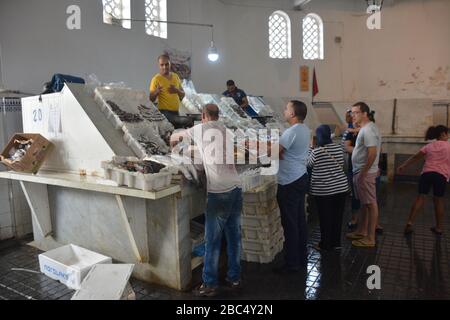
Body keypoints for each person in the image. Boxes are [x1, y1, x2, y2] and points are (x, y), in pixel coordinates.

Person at [170, 104, 243, 297]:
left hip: (220, 192)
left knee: (212, 240)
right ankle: (234, 277)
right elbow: (208, 157)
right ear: (217, 115)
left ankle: (209, 283)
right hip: (236, 187)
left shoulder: (200, 128)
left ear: (203, 116)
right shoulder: (226, 130)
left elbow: (175, 138)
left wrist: (173, 149)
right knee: (234, 236)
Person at [274, 100, 310, 273]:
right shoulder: (304, 129)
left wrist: (254, 145)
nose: (284, 110)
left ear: (293, 114)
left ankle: (292, 263)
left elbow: (274, 151)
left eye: (287, 108)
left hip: (289, 181)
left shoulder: (291, 131)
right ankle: (302, 256)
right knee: (299, 220)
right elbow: (282, 151)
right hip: (300, 176)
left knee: (290, 223)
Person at [397, 125, 450, 235]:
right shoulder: (449, 146)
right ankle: (439, 228)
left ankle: (409, 223)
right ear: (443, 134)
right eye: (447, 133)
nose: (448, 135)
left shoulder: (429, 146)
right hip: (441, 176)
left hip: (426, 174)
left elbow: (416, 157)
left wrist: (403, 166)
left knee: (420, 197)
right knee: (438, 200)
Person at [308, 125, 349, 251]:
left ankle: (325, 244)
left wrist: (310, 148)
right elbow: (342, 163)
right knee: (337, 217)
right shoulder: (338, 148)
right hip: (341, 189)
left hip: (324, 191)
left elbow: (308, 163)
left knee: (325, 218)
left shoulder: (317, 151)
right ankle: (336, 243)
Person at [346, 102, 381, 248]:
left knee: (371, 204)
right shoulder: (368, 128)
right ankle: (362, 230)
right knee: (365, 204)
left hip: (363, 172)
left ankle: (370, 238)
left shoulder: (367, 130)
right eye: (352, 113)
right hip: (362, 171)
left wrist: (364, 172)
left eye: (356, 113)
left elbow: (372, 153)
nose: (352, 115)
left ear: (365, 114)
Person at [149, 54, 187, 126]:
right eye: (162, 65)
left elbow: (183, 94)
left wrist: (177, 90)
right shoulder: (156, 79)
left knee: (178, 132)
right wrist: (156, 92)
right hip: (165, 113)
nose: (164, 67)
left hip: (176, 112)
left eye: (167, 64)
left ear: (170, 64)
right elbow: (151, 99)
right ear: (159, 65)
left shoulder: (175, 76)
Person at [342, 110, 361, 230]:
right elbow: (347, 147)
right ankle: (355, 218)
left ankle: (371, 222)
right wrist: (364, 151)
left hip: (369, 168)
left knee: (370, 197)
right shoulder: (350, 131)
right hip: (354, 167)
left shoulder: (366, 130)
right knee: (355, 195)